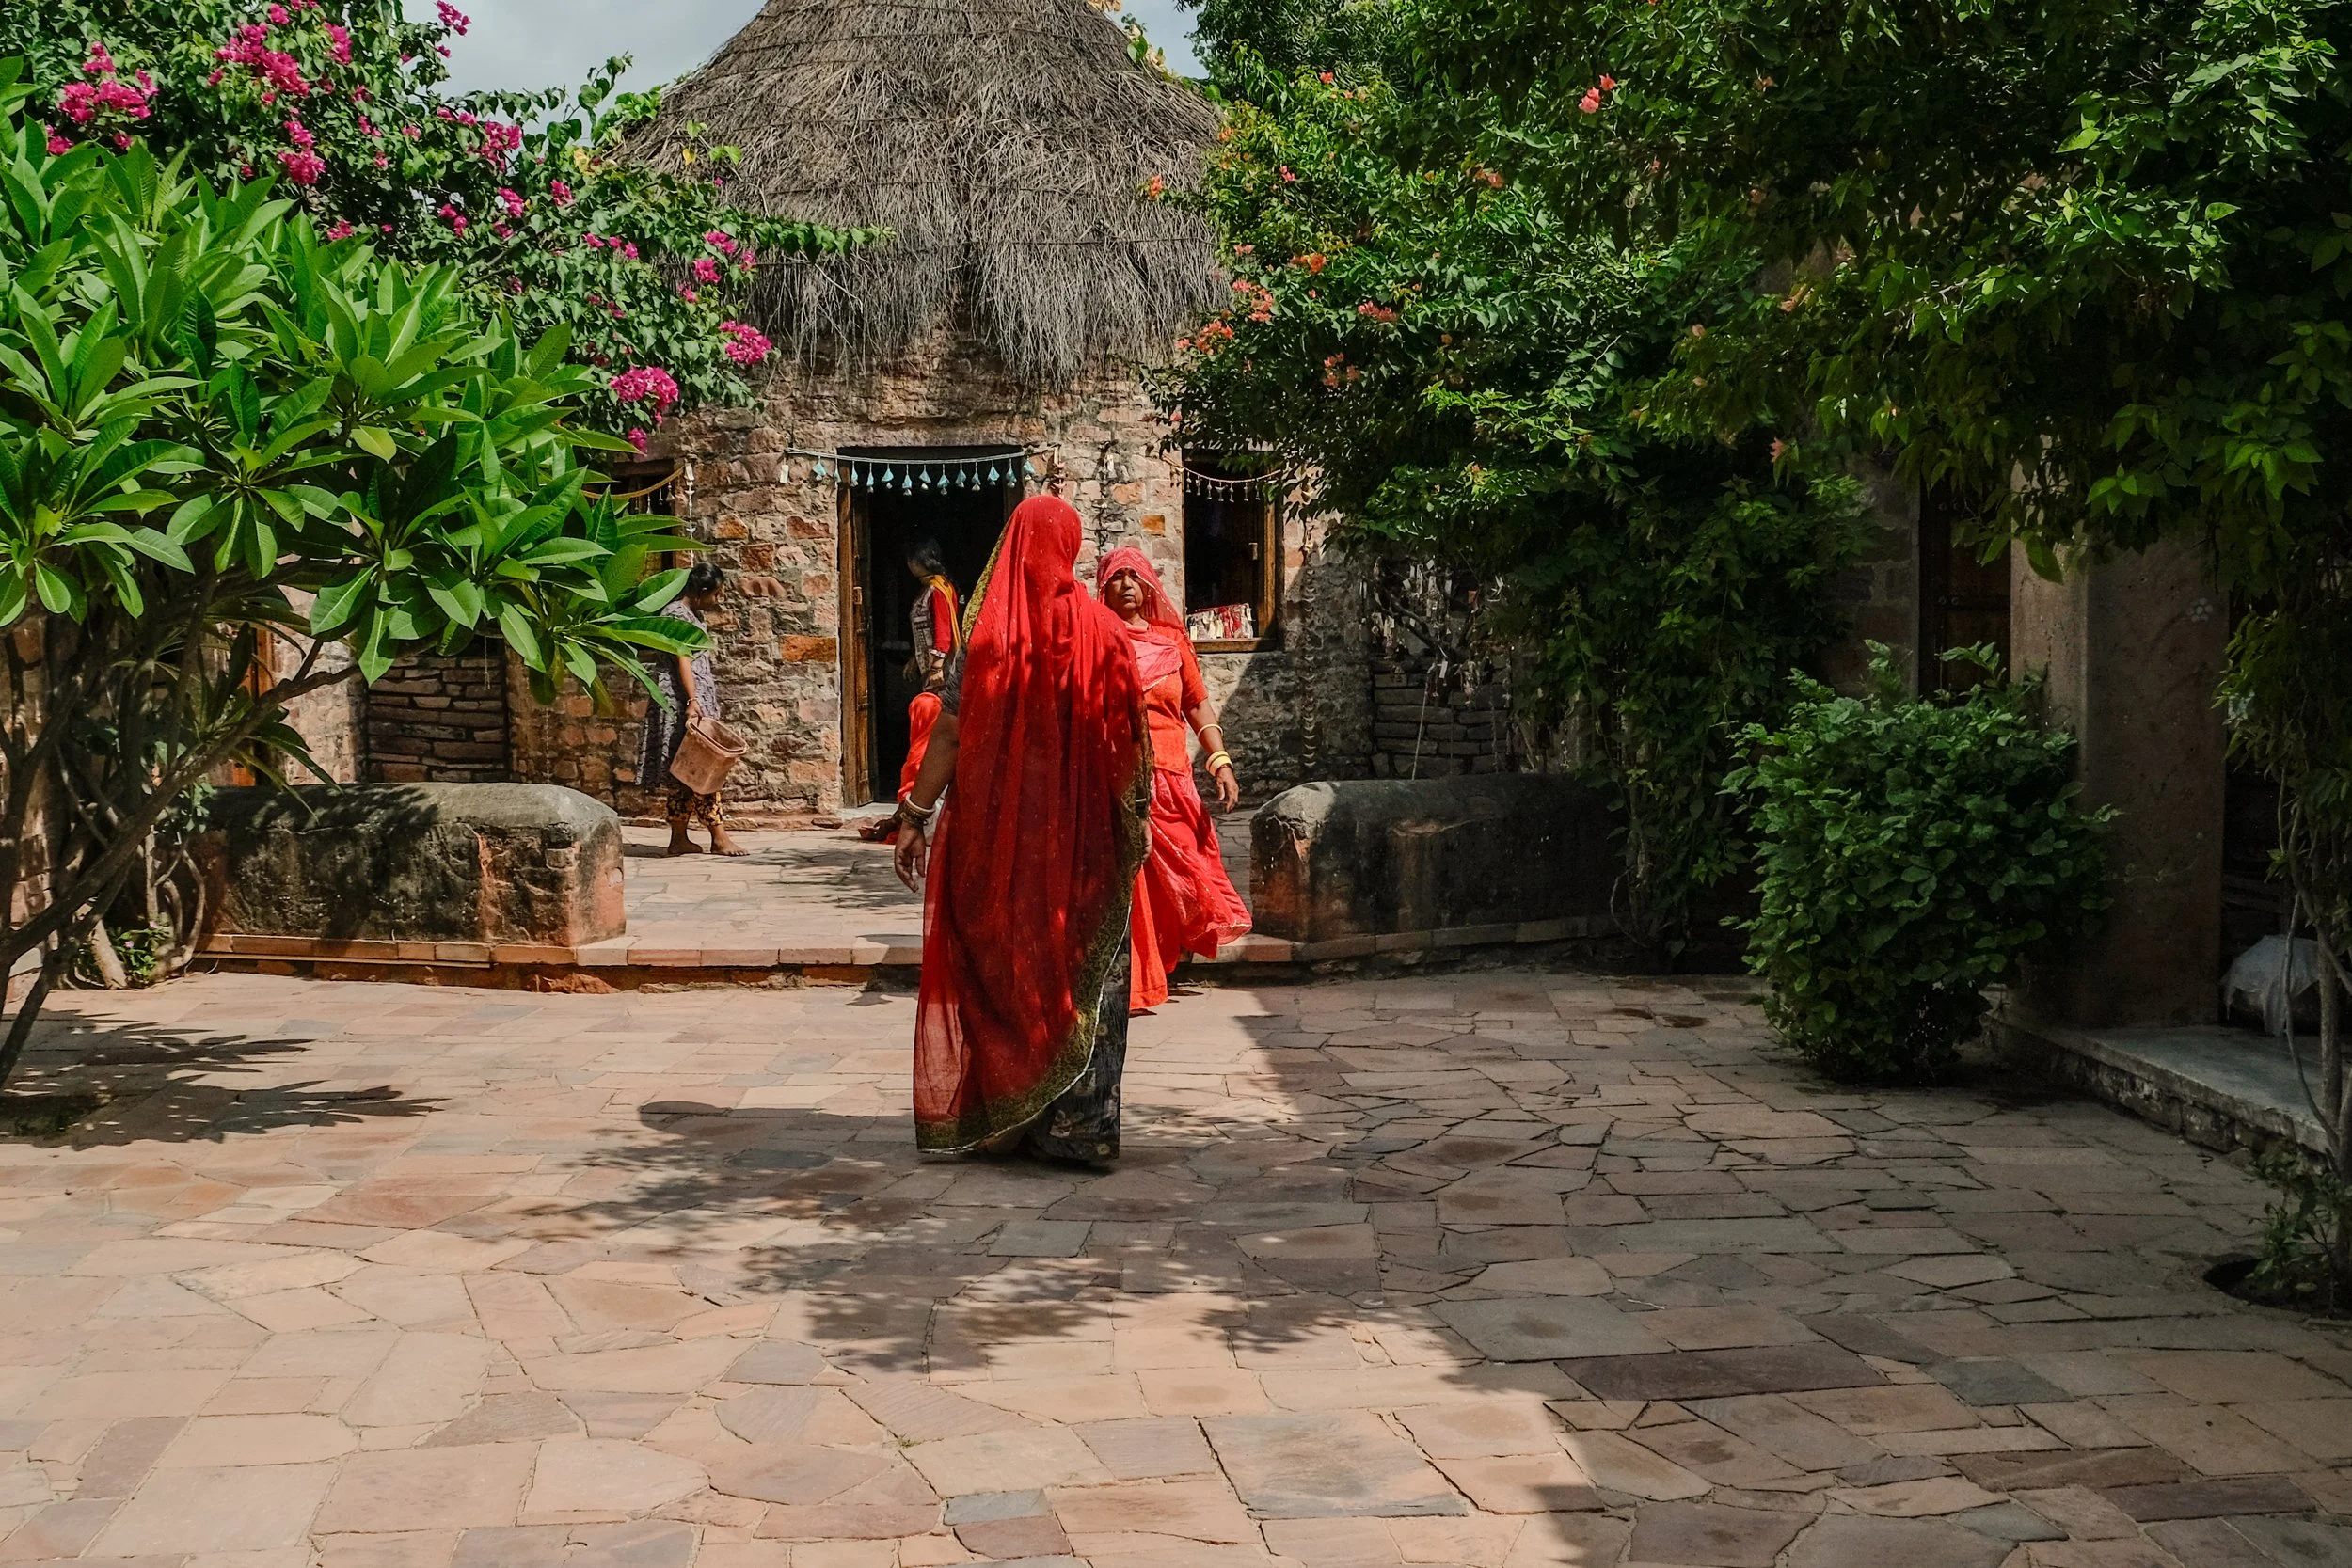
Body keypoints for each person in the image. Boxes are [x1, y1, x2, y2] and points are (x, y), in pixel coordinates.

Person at [893, 496, 1150, 1164]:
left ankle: (1010, 1112)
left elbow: (948, 732)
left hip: (998, 836)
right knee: (1078, 965)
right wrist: (1133, 826)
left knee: (1006, 962)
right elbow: (1129, 740)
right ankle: (1081, 1127)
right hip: (1086, 837)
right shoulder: (1105, 631)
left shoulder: (989, 641)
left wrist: (914, 817)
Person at [1095, 548, 1252, 1011]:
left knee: (1187, 869)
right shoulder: (1097, 640)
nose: (1127, 585)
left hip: (1173, 777)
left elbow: (1197, 705)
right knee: (1135, 880)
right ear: (1103, 588)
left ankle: (1169, 956)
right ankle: (1139, 977)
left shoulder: (1171, 641)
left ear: (1149, 587)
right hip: (1122, 779)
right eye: (1117, 578)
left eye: (1135, 577)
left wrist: (1220, 760)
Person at [642, 561, 746, 857]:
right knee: (701, 766)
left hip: (692, 700)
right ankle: (719, 836)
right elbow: (683, 660)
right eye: (716, 594)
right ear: (701, 591)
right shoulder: (676, 617)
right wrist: (692, 701)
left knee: (688, 770)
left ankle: (679, 838)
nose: (718, 600)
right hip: (680, 701)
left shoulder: (692, 615)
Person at [863, 540, 962, 844]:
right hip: (929, 669)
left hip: (942, 675)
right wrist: (913, 660)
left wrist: (935, 666)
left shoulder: (939, 590)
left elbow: (943, 631)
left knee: (934, 728)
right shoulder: (927, 590)